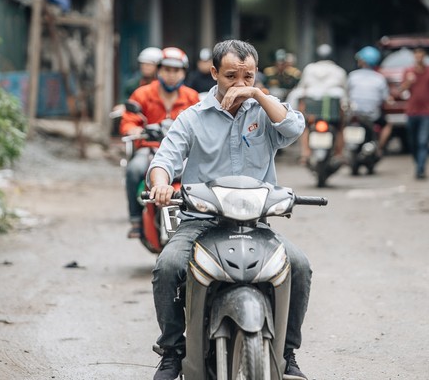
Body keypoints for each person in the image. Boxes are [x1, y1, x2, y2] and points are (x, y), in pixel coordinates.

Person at [147, 40, 311, 380]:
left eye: (247, 75)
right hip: (200, 223)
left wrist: (258, 96)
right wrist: (161, 184)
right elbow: (164, 160)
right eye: (231, 75)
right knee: (168, 267)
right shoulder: (192, 118)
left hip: (256, 224)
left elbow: (295, 128)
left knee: (299, 266)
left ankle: (288, 352)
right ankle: (172, 352)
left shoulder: (264, 112)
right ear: (214, 73)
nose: (239, 83)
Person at [120, 47, 200, 238]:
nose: (171, 75)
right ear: (158, 70)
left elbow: (203, 125)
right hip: (150, 149)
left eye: (176, 70)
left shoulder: (192, 97)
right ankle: (135, 221)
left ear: (183, 73)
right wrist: (139, 130)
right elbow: (128, 121)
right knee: (133, 170)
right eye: (166, 70)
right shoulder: (142, 94)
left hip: (183, 154)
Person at [286, 43, 347, 164]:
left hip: (311, 112)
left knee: (304, 127)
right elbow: (345, 92)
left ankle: (305, 153)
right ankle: (339, 154)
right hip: (332, 111)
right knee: (340, 127)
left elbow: (302, 87)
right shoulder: (339, 70)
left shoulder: (310, 68)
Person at [398, 46, 429, 179]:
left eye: (421, 54)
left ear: (425, 56)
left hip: (426, 111)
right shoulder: (408, 71)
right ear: (414, 56)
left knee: (423, 141)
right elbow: (401, 90)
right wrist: (408, 82)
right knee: (413, 142)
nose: (419, 57)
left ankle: (421, 169)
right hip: (411, 111)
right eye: (416, 54)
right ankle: (418, 164)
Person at [347, 45, 393, 156]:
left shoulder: (352, 76)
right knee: (388, 124)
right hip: (372, 116)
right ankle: (379, 148)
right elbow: (386, 99)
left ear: (362, 61)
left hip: (354, 114)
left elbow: (346, 95)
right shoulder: (379, 78)